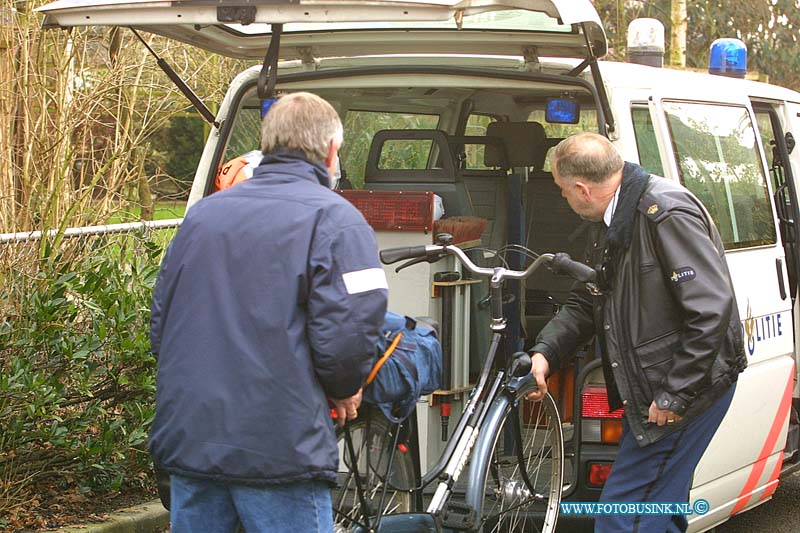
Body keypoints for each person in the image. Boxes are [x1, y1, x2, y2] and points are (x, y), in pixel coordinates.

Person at [148, 92, 388, 532]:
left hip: (193, 438)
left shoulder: (202, 216)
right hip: (279, 446)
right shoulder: (337, 219)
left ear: (270, 143)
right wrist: (346, 386)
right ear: (331, 150)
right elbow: (350, 329)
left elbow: (161, 325)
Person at [526, 132, 746, 532]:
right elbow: (588, 298)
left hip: (682, 391)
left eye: (562, 191)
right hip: (655, 386)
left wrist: (674, 394)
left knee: (624, 513)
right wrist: (545, 352)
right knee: (662, 505)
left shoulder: (664, 214)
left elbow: (711, 308)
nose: (563, 199)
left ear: (581, 189)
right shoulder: (616, 218)